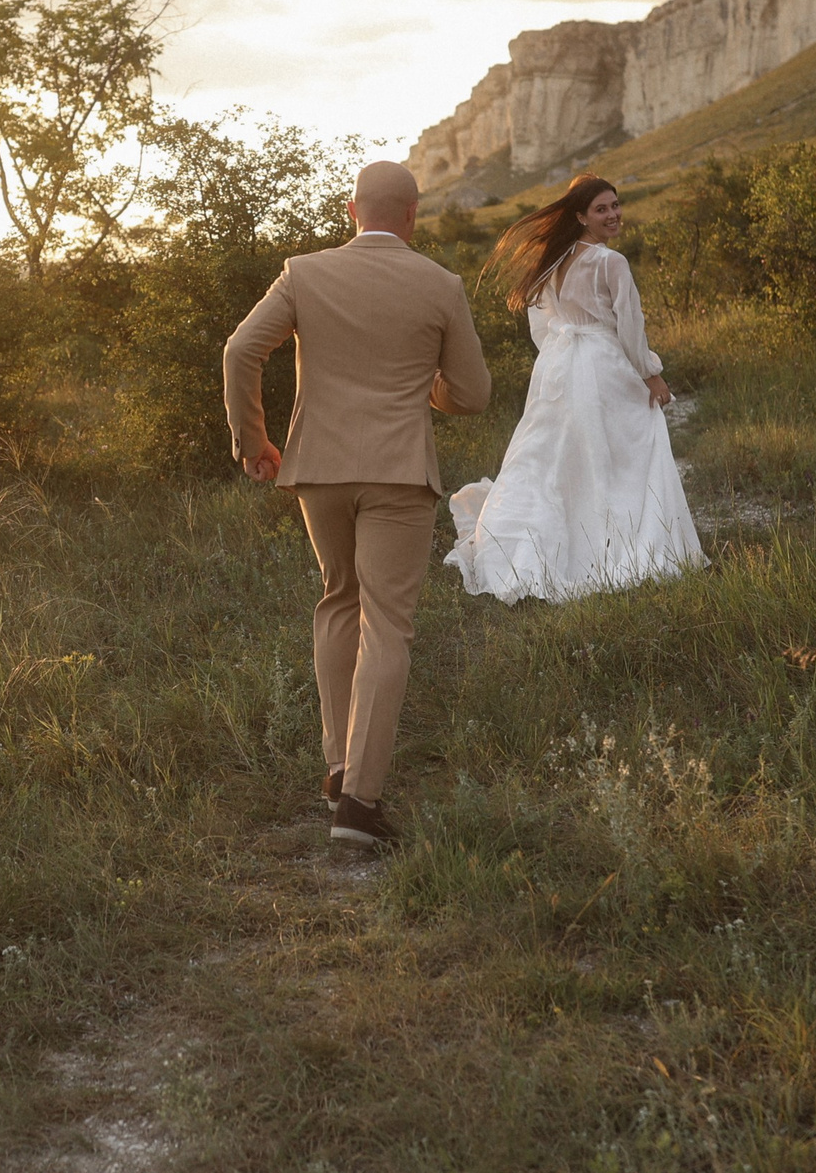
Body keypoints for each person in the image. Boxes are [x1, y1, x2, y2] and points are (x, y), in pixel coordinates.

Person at [223, 161, 492, 849]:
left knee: (340, 598)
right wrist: (425, 389)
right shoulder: (440, 284)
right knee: (389, 626)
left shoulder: (303, 272)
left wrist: (254, 442)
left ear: (351, 210)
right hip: (398, 473)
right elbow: (473, 393)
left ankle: (340, 765)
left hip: (319, 467)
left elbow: (241, 348)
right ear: (412, 215)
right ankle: (360, 806)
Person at [445, 175, 706, 603]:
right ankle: (621, 544)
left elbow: (541, 326)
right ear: (581, 216)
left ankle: (570, 538)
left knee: (563, 455)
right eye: (602, 209)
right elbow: (629, 325)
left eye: (616, 205)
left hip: (562, 363)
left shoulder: (554, 260)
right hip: (602, 361)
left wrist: (558, 357)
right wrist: (649, 372)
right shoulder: (609, 262)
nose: (613, 214)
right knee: (625, 452)